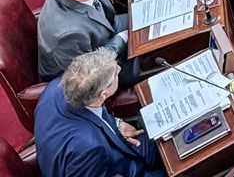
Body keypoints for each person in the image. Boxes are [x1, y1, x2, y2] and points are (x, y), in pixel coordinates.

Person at [34, 48, 163, 177]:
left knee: (163, 137)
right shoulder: (89, 149)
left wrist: (116, 125)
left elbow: (96, 115)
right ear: (103, 94)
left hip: (119, 145)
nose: (119, 68)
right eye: (115, 74)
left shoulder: (54, 88)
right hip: (120, 170)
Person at [37, 0, 136, 85]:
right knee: (148, 61)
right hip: (94, 69)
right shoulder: (68, 34)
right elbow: (88, 70)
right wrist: (122, 38)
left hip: (107, 26)